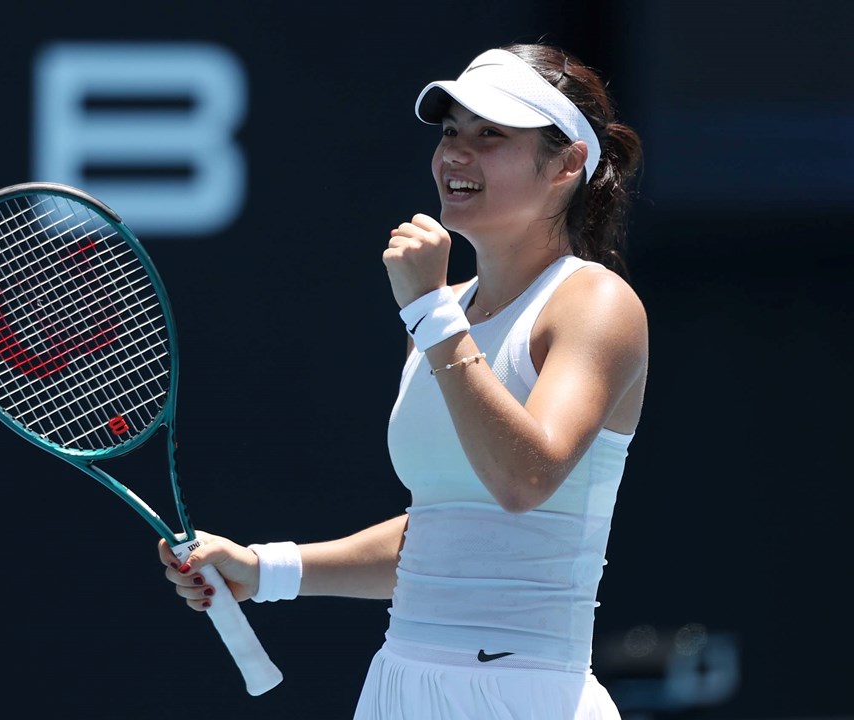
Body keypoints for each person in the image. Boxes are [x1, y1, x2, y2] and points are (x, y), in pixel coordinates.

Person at [158, 42, 646, 719]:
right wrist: (266, 570)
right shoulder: (446, 314)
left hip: (528, 694)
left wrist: (431, 314)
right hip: (399, 686)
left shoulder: (595, 304)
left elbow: (524, 481)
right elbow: (445, 536)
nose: (455, 154)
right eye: (451, 133)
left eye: (491, 135)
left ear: (566, 165)